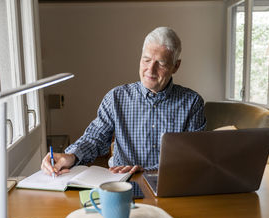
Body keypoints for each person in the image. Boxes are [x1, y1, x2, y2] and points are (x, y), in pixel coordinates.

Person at [42, 26, 206, 176]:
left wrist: (150, 171)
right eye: (146, 60)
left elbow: (194, 158)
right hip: (122, 183)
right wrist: (70, 156)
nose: (150, 70)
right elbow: (95, 138)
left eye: (161, 63)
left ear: (175, 66)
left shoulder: (192, 103)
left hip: (170, 183)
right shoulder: (116, 98)